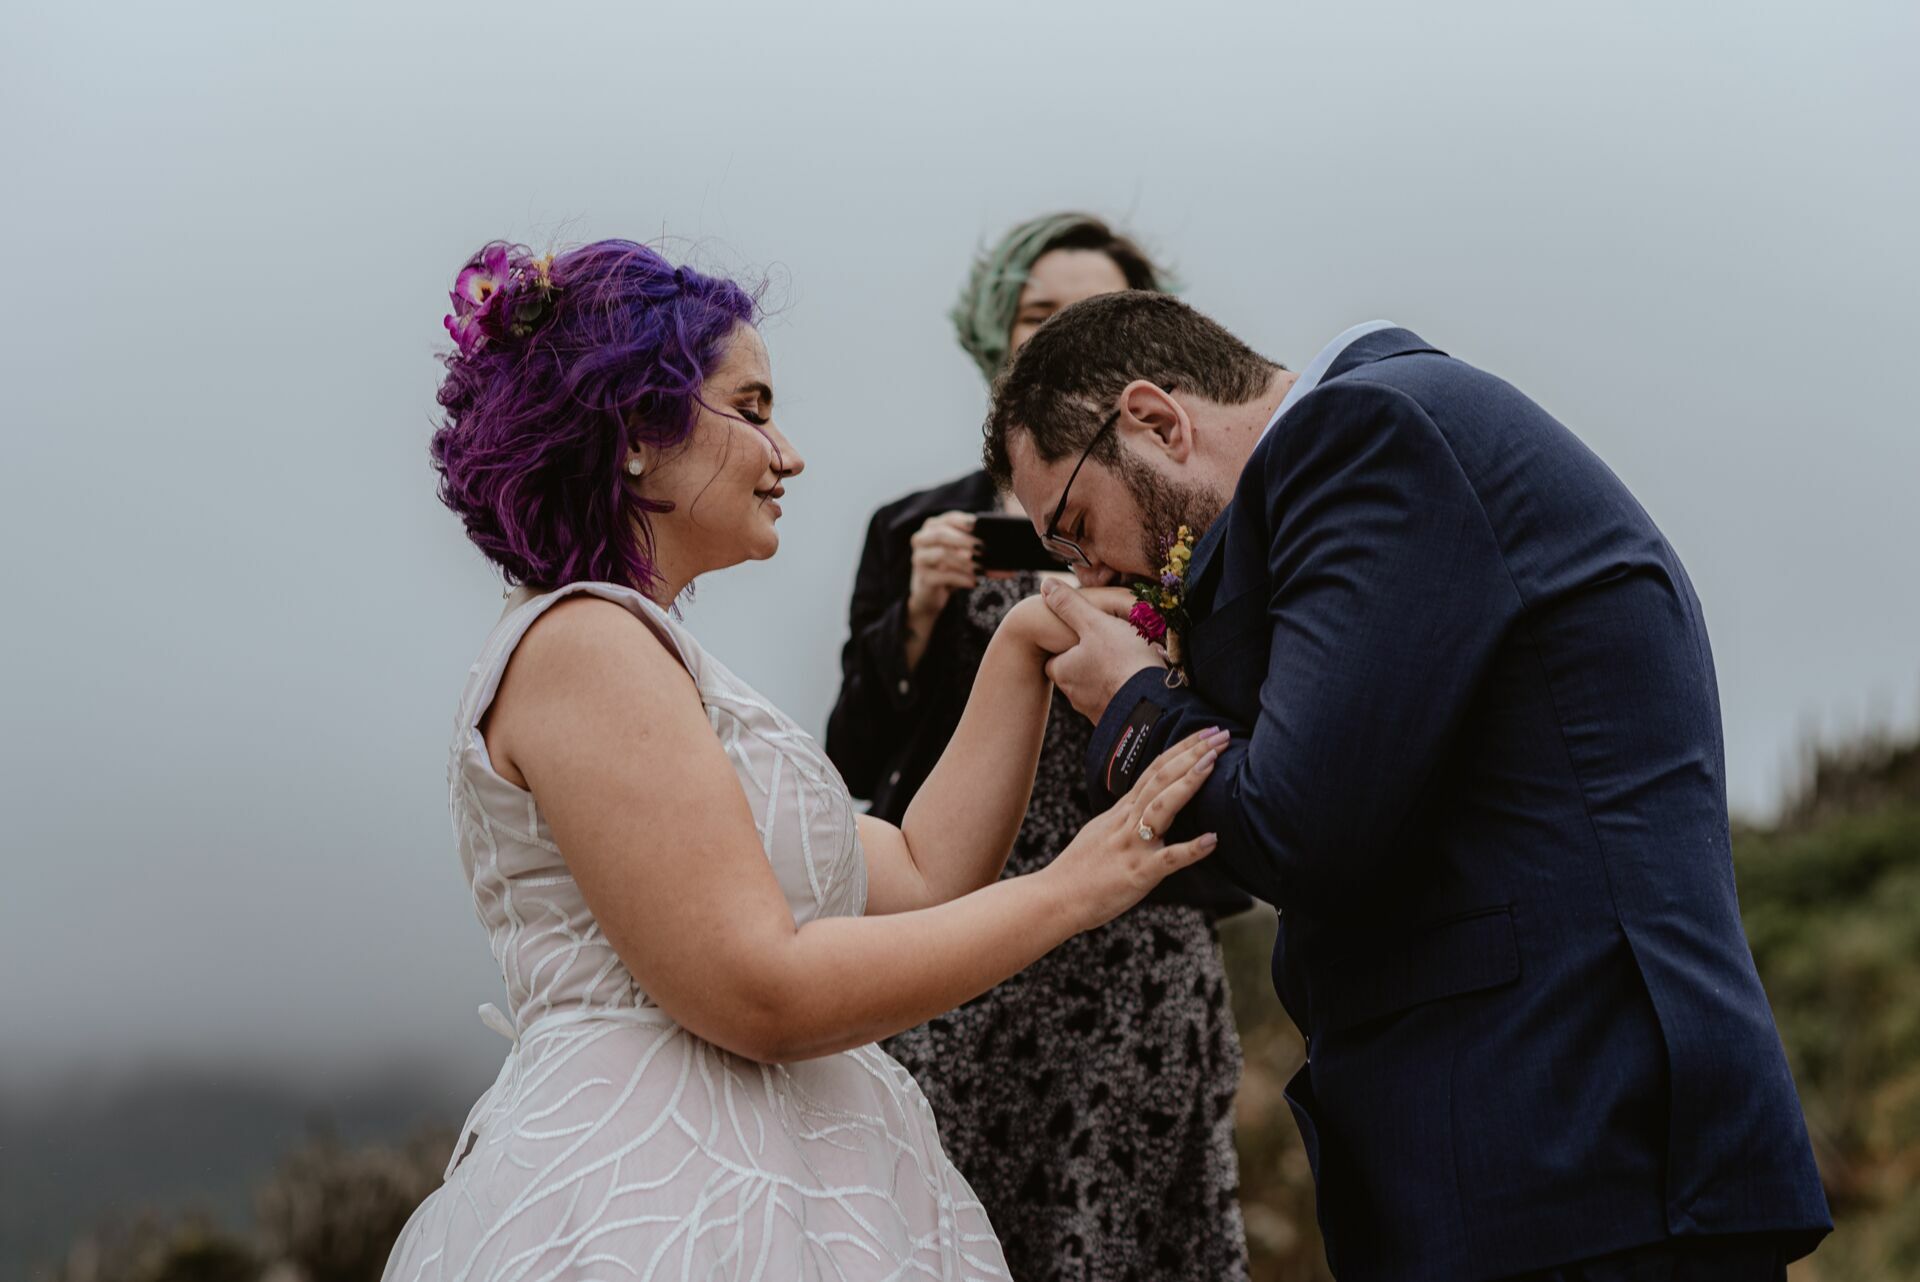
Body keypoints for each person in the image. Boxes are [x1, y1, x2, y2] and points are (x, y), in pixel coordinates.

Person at [381, 240, 1226, 1282]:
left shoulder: (656, 657)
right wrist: (1071, 890)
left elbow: (920, 867)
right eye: (754, 406)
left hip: (790, 1174)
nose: (789, 453)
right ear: (638, 429)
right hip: (658, 1193)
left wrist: (1019, 646)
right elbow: (761, 992)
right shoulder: (585, 645)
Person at [984, 295, 1833, 1282]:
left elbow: (1299, 825)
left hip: (1571, 1153)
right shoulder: (1397, 438)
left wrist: (1132, 702)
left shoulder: (1368, 437)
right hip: (1541, 1162)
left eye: (1078, 527)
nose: (1090, 570)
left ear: (1159, 421)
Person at [826, 213, 1251, 1282]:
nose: (1060, 334)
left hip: (1140, 947)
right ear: (995, 334)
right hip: (963, 940)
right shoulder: (919, 524)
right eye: (1037, 315)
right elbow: (854, 752)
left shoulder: (1190, 512)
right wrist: (917, 615)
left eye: (1093, 312)